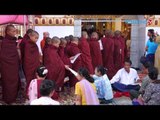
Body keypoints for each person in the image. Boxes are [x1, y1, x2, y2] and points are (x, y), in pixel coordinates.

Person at [0, 25, 20, 104]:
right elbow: (2, 55)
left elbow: (15, 53)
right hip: (6, 66)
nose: (15, 33)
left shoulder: (14, 42)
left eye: (15, 31)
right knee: (6, 82)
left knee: (14, 81)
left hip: (14, 66)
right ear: (8, 32)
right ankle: (7, 98)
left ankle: (13, 98)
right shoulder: (4, 42)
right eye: (13, 31)